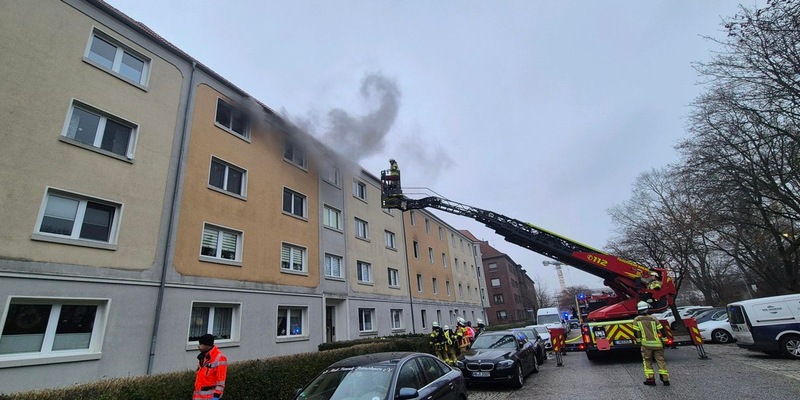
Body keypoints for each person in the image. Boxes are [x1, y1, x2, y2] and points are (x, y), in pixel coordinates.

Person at [632, 301, 670, 386]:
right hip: (657, 344)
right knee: (661, 361)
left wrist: (639, 341)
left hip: (646, 345)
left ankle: (650, 380)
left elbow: (636, 332)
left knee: (647, 361)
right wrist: (664, 340)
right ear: (647, 309)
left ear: (638, 310)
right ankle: (665, 379)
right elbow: (661, 330)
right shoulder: (653, 318)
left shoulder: (637, 319)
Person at [194, 334, 228, 400]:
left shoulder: (220, 357)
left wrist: (216, 396)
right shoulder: (203, 357)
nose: (199, 346)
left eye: (201, 344)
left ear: (207, 345)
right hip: (199, 396)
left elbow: (221, 380)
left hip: (210, 397)